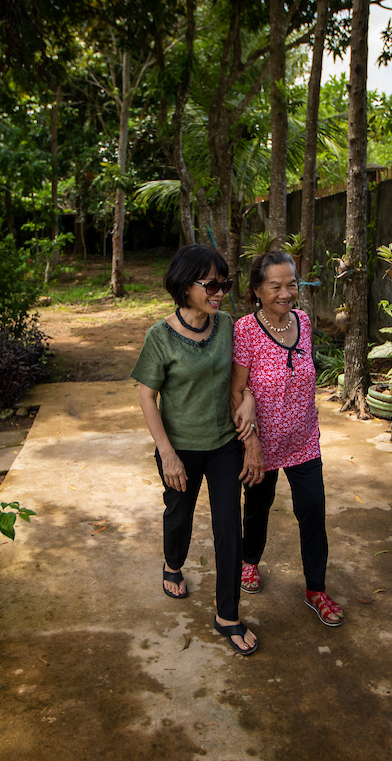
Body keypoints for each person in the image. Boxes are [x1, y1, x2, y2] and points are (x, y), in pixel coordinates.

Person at [131, 244, 260, 656]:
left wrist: (251, 404)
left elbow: (244, 378)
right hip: (180, 448)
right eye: (212, 284)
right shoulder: (159, 336)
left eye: (224, 283)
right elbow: (147, 397)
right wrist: (166, 453)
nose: (220, 291)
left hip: (223, 444)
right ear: (185, 286)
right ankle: (173, 563)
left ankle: (227, 614)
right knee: (179, 515)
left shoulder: (228, 327)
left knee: (228, 527)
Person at [232, 250, 344, 627]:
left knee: (312, 511)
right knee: (257, 507)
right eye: (275, 286)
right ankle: (249, 561)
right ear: (257, 290)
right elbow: (237, 391)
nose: (285, 293)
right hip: (261, 442)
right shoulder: (246, 329)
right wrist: (251, 445)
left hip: (303, 440)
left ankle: (316, 588)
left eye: (291, 284)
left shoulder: (305, 322)